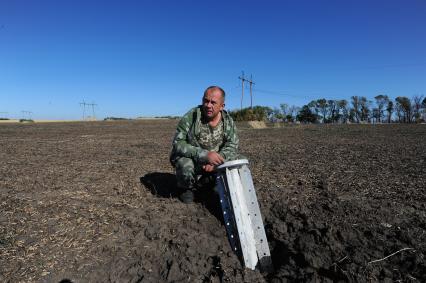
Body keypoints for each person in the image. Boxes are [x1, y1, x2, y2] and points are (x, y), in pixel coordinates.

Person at [170, 86, 239, 203]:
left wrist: (217, 161)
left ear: (222, 106)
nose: (208, 105)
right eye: (205, 101)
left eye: (213, 102)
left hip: (215, 162)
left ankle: (208, 180)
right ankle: (186, 188)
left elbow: (232, 145)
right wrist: (205, 155)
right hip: (194, 159)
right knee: (184, 164)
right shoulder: (191, 117)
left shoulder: (228, 122)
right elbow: (178, 143)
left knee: (240, 160)